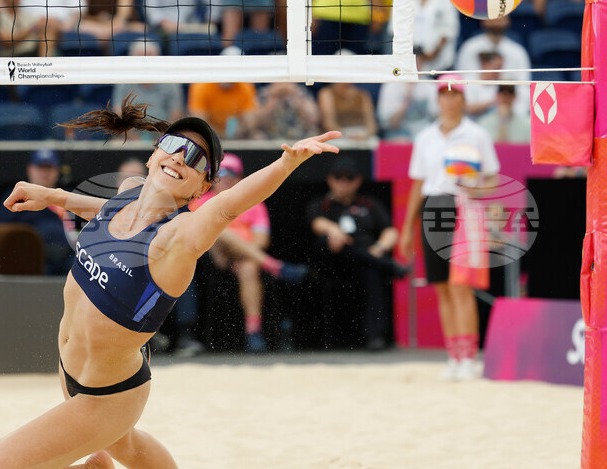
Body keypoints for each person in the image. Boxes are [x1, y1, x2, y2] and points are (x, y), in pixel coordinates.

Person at [0, 96, 340, 469]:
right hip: (73, 375)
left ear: (200, 188)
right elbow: (101, 213)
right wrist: (51, 196)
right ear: (156, 152)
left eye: (197, 159)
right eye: (175, 144)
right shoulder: (128, 191)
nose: (180, 157)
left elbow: (230, 207)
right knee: (129, 446)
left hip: (107, 397)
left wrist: (287, 162)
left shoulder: (179, 236)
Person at [399, 75, 500, 381]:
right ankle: (454, 356)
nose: (450, 98)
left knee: (461, 286)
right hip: (433, 207)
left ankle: (469, 356)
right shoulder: (425, 137)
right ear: (438, 98)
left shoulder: (476, 135)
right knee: (442, 286)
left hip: (464, 209)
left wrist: (477, 191)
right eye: (444, 93)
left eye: (455, 93)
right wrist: (406, 229)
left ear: (464, 99)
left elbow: (493, 178)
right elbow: (418, 184)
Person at [188, 153, 309, 353]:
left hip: (244, 259)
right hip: (210, 257)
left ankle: (253, 332)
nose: (226, 177)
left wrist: (241, 252)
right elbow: (197, 235)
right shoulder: (200, 201)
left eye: (232, 173)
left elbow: (262, 241)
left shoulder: (253, 202)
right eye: (221, 172)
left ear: (241, 177)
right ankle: (275, 267)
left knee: (249, 268)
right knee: (217, 226)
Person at [307, 157, 406, 350]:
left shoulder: (369, 204)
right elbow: (315, 223)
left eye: (349, 178)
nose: (343, 183)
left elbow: (390, 230)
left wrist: (379, 248)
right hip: (333, 260)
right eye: (339, 178)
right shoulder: (321, 205)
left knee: (372, 271)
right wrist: (332, 229)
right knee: (335, 244)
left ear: (358, 181)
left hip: (365, 262)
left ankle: (374, 337)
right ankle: (391, 266)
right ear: (330, 180)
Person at [0, 148, 73, 275]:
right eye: (40, 167)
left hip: (69, 259)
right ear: (29, 169)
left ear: (57, 171)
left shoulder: (68, 197)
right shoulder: (15, 196)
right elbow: (4, 234)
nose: (44, 173)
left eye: (49, 168)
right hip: (31, 258)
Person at [455, 15, 531, 117]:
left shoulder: (518, 52)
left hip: (510, 113)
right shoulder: (469, 48)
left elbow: (524, 87)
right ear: (483, 21)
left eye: (501, 16)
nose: (497, 20)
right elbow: (462, 83)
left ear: (508, 21)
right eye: (493, 16)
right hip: (474, 114)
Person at [111, 40, 184, 125]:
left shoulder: (170, 82)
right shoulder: (124, 82)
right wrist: (133, 137)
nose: (144, 64)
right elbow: (118, 112)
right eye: (140, 59)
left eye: (149, 59)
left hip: (163, 132)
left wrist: (163, 137)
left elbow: (176, 114)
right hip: (130, 134)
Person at [413, 0, 459, 72]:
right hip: (413, 62)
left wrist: (433, 52)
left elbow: (449, 29)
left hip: (440, 62)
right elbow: (397, 29)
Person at [187, 80, 257, 138]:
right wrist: (221, 134)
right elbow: (200, 123)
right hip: (210, 135)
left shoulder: (245, 87)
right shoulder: (201, 87)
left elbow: (250, 122)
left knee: (258, 137)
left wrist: (241, 128)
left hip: (238, 135)